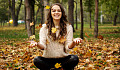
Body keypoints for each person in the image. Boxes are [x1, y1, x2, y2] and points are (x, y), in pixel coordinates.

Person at [29, 3, 82, 70]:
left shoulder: (68, 27)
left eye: (59, 11)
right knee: (37, 60)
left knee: (74, 58)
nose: (56, 12)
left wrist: (74, 42)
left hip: (63, 59)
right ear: (50, 13)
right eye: (53, 11)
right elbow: (43, 46)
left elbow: (68, 47)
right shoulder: (44, 28)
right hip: (48, 60)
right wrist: (37, 44)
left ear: (62, 13)